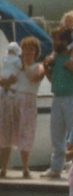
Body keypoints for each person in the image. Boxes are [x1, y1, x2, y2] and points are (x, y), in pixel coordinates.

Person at [42, 28, 73, 178]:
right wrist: (47, 70)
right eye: (54, 40)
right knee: (56, 134)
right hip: (57, 98)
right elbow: (53, 79)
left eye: (58, 39)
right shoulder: (55, 58)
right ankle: (56, 168)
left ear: (66, 41)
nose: (55, 43)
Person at [0, 37, 45, 179]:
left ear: (36, 51)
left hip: (28, 102)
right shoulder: (15, 65)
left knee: (26, 134)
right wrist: (7, 81)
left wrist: (23, 66)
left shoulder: (39, 66)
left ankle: (25, 168)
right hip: (11, 99)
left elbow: (34, 77)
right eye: (25, 49)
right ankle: (3, 168)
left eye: (31, 49)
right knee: (6, 134)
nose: (28, 52)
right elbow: (3, 80)